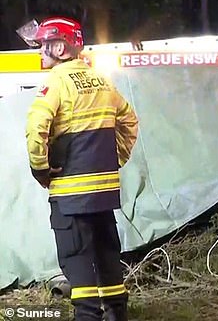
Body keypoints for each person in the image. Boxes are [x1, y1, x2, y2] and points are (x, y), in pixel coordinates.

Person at [18, 16, 138, 320]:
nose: (40, 52)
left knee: (77, 259)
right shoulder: (102, 81)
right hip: (104, 195)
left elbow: (36, 129)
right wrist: (114, 161)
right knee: (107, 255)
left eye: (45, 46)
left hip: (71, 197)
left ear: (60, 47)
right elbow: (129, 122)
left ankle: (87, 315)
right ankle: (116, 313)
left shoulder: (56, 82)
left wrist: (41, 169)